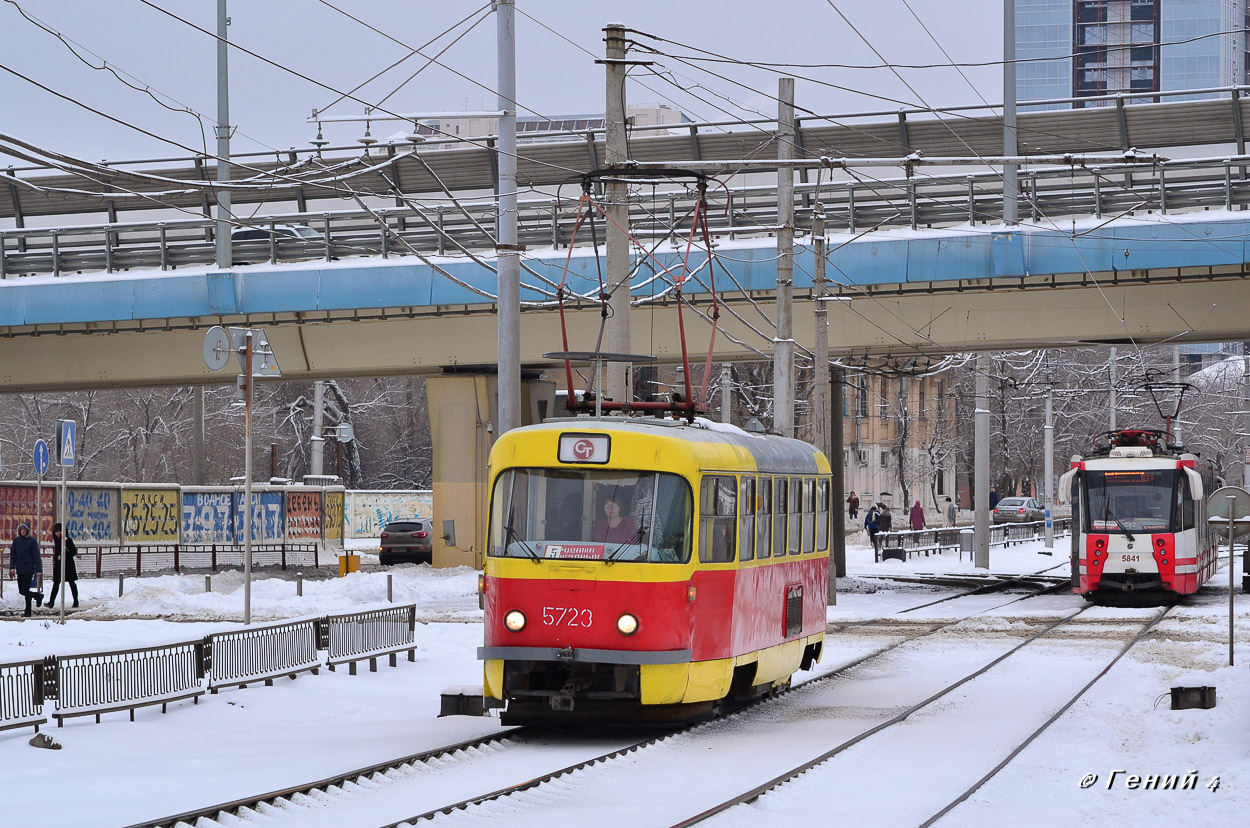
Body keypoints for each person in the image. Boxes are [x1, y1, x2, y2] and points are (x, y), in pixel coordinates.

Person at [8, 522, 44, 618]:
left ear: (27, 531)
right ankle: (38, 596)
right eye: (21, 529)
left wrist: (38, 569)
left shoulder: (32, 541)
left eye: (24, 530)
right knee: (22, 591)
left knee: (26, 590)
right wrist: (12, 567)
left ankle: (28, 611)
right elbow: (13, 555)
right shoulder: (16, 541)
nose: (23, 531)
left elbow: (36, 556)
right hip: (20, 569)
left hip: (28, 569)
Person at [47, 522, 79, 609]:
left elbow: (73, 551)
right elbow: (57, 552)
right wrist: (55, 560)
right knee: (56, 583)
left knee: (71, 582)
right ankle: (51, 602)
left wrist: (64, 555)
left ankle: (76, 601)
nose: (57, 533)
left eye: (59, 531)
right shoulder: (57, 541)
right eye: (56, 532)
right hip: (59, 565)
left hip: (68, 565)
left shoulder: (67, 540)